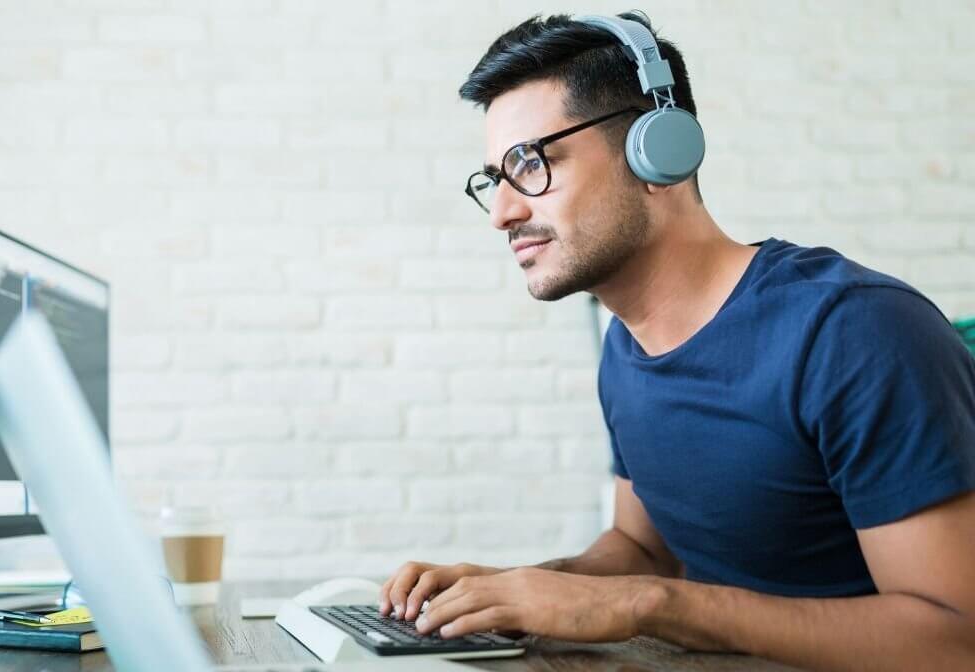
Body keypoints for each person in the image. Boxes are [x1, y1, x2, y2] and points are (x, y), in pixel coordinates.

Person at [379, 12, 975, 670]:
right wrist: (499, 590)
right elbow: (640, 553)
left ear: (657, 153)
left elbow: (955, 637)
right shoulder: (626, 347)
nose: (502, 213)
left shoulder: (855, 333)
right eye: (497, 177)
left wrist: (653, 605)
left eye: (531, 164)